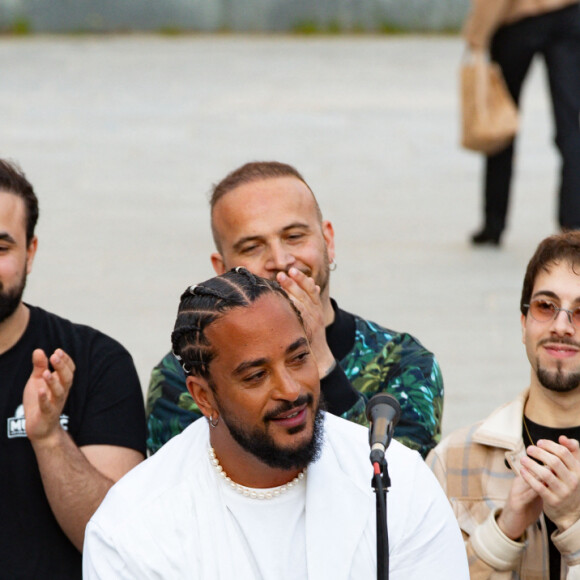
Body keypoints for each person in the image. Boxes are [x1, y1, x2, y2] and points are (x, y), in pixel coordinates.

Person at [84, 268, 468, 578]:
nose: (290, 389)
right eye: (256, 376)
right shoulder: (133, 525)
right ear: (203, 397)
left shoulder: (395, 482)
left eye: (299, 358)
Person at [147, 161, 443, 458]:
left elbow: (397, 489)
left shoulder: (404, 361)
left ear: (327, 240)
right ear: (223, 269)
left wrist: (323, 362)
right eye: (252, 247)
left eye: (294, 237)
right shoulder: (186, 375)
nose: (280, 259)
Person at [0, 158, 147, 578]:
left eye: (0, 247)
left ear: (30, 252)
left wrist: (49, 438)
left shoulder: (97, 362)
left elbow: (118, 542)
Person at [428, 231, 580, 578]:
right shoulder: (453, 461)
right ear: (524, 321)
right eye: (546, 306)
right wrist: (503, 531)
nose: (562, 325)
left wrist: (573, 524)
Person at [465, 0, 580, 246]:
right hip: (567, 15)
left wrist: (477, 34)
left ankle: (494, 223)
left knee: (500, 121)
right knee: (570, 127)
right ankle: (573, 226)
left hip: (518, 20)